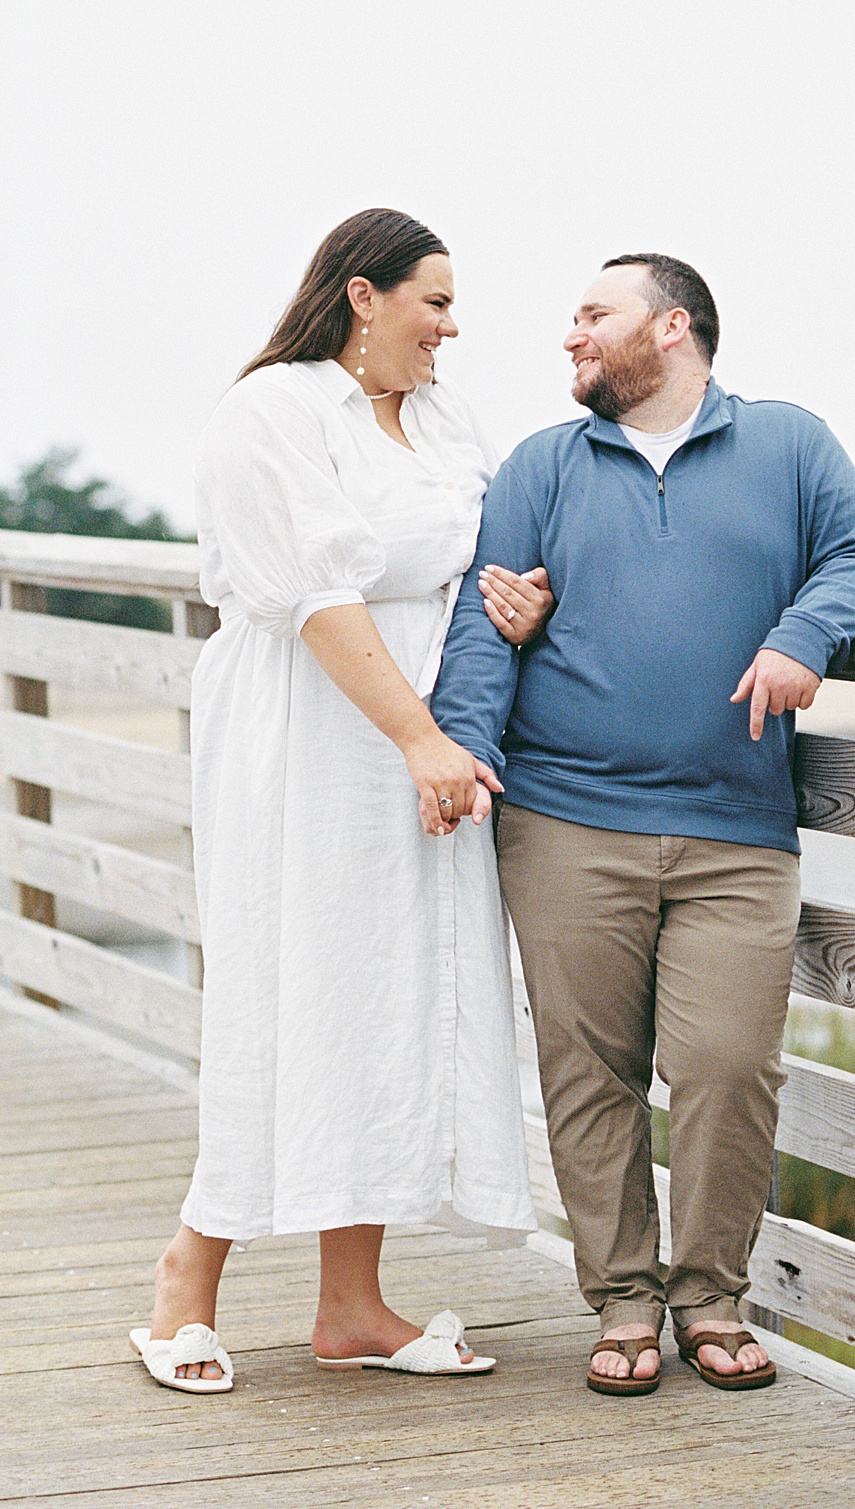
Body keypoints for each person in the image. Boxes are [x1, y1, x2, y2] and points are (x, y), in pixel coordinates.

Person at [432, 253, 855, 1396]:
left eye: (594, 315)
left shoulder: (789, 443)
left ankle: (711, 1291)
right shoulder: (544, 462)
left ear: (673, 327)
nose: (571, 338)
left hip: (736, 826)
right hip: (562, 819)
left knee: (728, 1064)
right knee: (588, 1069)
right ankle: (626, 1297)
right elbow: (486, 619)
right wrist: (459, 750)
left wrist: (805, 633)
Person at [132, 210, 549, 1395]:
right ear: (363, 295)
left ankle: (353, 1303)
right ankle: (186, 1278)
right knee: (291, 985)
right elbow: (313, 592)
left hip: (423, 738)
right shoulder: (274, 410)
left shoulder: (444, 416)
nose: (453, 326)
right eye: (436, 300)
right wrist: (419, 739)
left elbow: (476, 557)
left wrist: (514, 601)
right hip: (312, 734)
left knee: (391, 999)